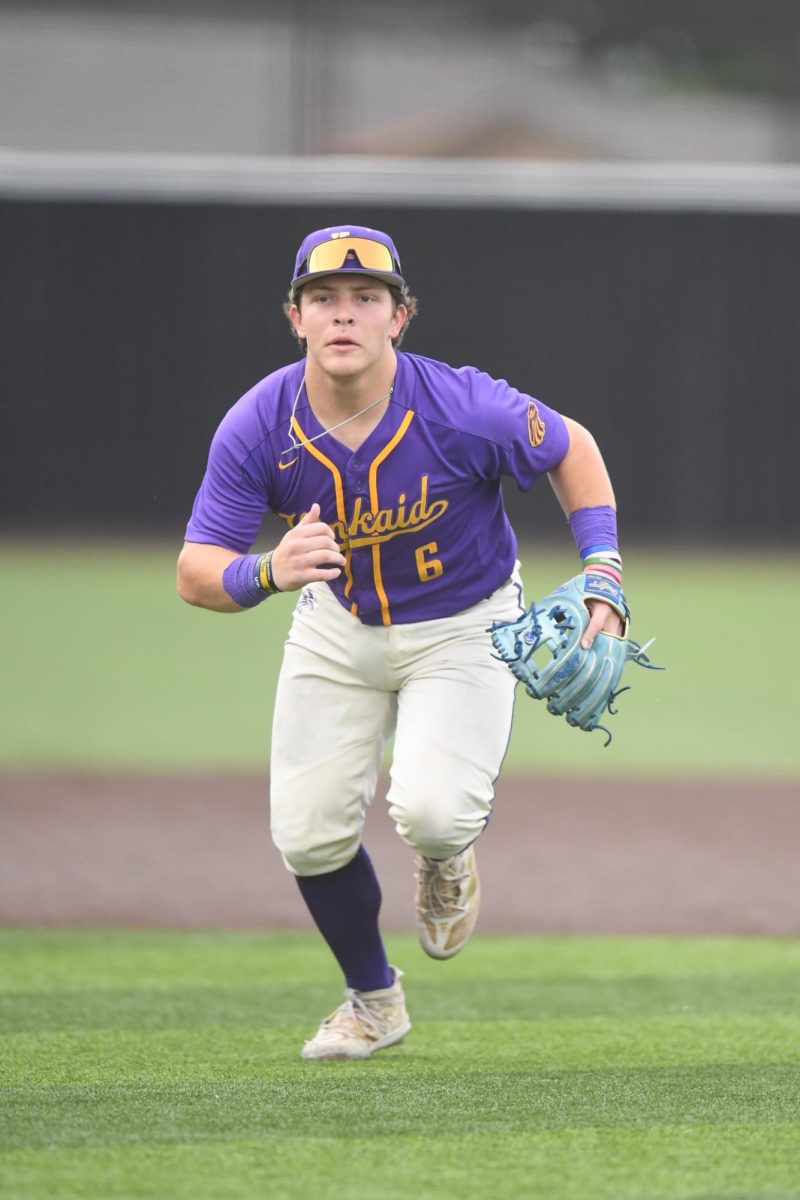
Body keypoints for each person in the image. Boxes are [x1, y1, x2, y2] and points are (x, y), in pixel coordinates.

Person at [177, 223, 625, 1060]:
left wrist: (605, 572)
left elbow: (574, 448)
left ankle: (448, 856)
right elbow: (195, 570)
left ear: (399, 317)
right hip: (335, 628)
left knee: (431, 813)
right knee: (307, 836)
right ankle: (374, 1001)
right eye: (323, 299)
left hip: (464, 624)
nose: (343, 315)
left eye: (365, 299)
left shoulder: (462, 406)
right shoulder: (258, 425)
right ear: (295, 317)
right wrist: (267, 572)